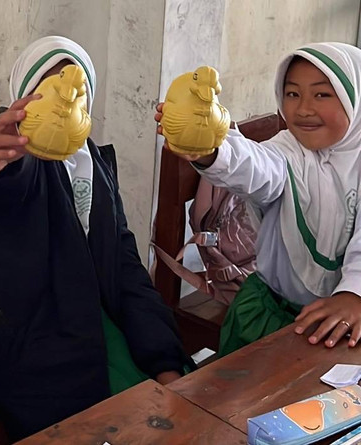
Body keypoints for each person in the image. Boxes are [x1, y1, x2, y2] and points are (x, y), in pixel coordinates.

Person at [0, 35, 193, 440]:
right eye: (45, 90)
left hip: (104, 324)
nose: (62, 101)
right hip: (37, 344)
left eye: (74, 90)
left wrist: (165, 361)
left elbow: (124, 264)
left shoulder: (95, 163)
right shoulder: (11, 154)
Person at [155, 42, 361, 356]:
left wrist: (354, 295)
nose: (303, 108)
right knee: (240, 399)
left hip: (348, 324)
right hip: (269, 315)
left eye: (322, 94)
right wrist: (212, 149)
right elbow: (255, 166)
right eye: (292, 94)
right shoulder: (287, 151)